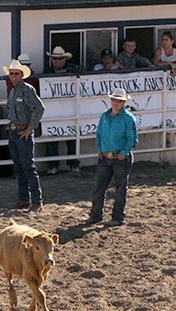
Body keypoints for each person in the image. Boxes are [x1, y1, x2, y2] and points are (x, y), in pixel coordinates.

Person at [87, 88, 138, 226]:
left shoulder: (128, 119)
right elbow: (99, 134)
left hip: (119, 158)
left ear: (123, 102)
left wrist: (123, 153)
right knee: (100, 187)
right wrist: (100, 150)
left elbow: (132, 139)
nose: (116, 103)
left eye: (119, 101)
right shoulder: (104, 116)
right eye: (114, 100)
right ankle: (96, 215)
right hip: (106, 156)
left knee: (120, 188)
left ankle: (117, 217)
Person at [4, 60, 45, 212]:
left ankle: (36, 201)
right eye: (12, 73)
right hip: (15, 131)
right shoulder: (14, 91)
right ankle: (24, 199)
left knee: (27, 167)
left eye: (16, 74)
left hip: (22, 132)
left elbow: (39, 108)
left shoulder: (26, 89)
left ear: (21, 75)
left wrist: (29, 129)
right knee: (20, 167)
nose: (14, 76)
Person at [44, 46, 83, 174]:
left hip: (70, 108)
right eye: (54, 59)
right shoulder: (47, 72)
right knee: (51, 136)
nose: (57, 61)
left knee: (71, 136)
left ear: (65, 59)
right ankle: (52, 165)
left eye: (60, 58)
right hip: (53, 109)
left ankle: (73, 163)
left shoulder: (73, 68)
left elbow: (84, 74)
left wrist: (65, 73)